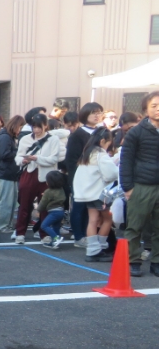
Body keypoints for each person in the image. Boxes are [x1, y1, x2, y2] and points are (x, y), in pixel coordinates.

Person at [120, 91, 159, 277]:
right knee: (135, 227)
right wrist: (127, 187)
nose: (158, 109)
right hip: (141, 185)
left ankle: (156, 261)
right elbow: (126, 160)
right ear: (145, 109)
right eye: (154, 106)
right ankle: (133, 261)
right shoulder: (136, 132)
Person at [13, 113, 68, 244]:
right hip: (29, 173)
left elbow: (54, 159)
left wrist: (37, 158)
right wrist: (23, 161)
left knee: (45, 206)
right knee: (24, 205)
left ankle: (44, 234)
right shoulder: (25, 139)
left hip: (47, 176)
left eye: (39, 127)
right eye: (34, 127)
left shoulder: (53, 139)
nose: (36, 130)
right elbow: (18, 157)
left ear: (45, 126)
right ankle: (20, 233)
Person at [64, 102, 104, 247]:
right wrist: (76, 179)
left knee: (92, 208)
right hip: (80, 178)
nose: (96, 115)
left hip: (97, 177)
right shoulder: (77, 135)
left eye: (99, 112)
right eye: (93, 112)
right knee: (79, 207)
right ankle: (78, 236)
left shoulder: (101, 132)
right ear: (85, 115)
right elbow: (71, 160)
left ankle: (88, 235)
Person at [74, 128, 117, 261]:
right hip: (100, 194)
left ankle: (92, 250)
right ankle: (101, 248)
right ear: (103, 141)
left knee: (92, 220)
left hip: (87, 194)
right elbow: (112, 174)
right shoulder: (101, 155)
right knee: (107, 219)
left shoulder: (86, 155)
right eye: (108, 143)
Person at [0, 115, 25, 232]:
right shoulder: (5, 137)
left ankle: (7, 224)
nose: (20, 130)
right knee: (6, 201)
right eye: (20, 127)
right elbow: (3, 154)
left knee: (11, 202)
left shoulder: (7, 136)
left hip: (10, 173)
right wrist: (18, 153)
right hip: (5, 173)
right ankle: (2, 225)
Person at [37, 171, 68, 248]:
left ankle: (56, 238)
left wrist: (39, 209)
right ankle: (54, 242)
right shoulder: (61, 189)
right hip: (61, 211)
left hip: (53, 212)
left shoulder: (48, 192)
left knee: (44, 225)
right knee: (56, 227)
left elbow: (43, 203)